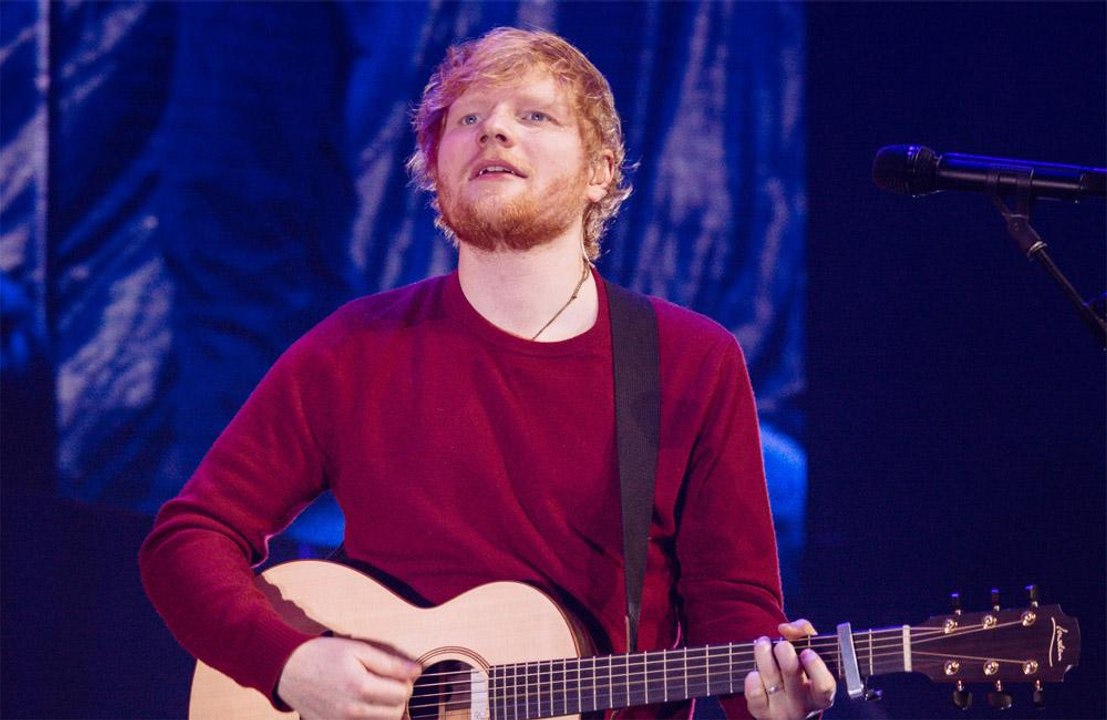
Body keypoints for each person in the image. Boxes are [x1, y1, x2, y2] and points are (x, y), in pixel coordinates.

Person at [140, 27, 836, 720]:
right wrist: (288, 663)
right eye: (467, 118)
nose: (494, 130)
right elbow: (187, 540)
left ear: (599, 171)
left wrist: (772, 704)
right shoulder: (355, 348)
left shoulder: (690, 359)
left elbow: (733, 616)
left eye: (533, 115)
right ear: (433, 170)